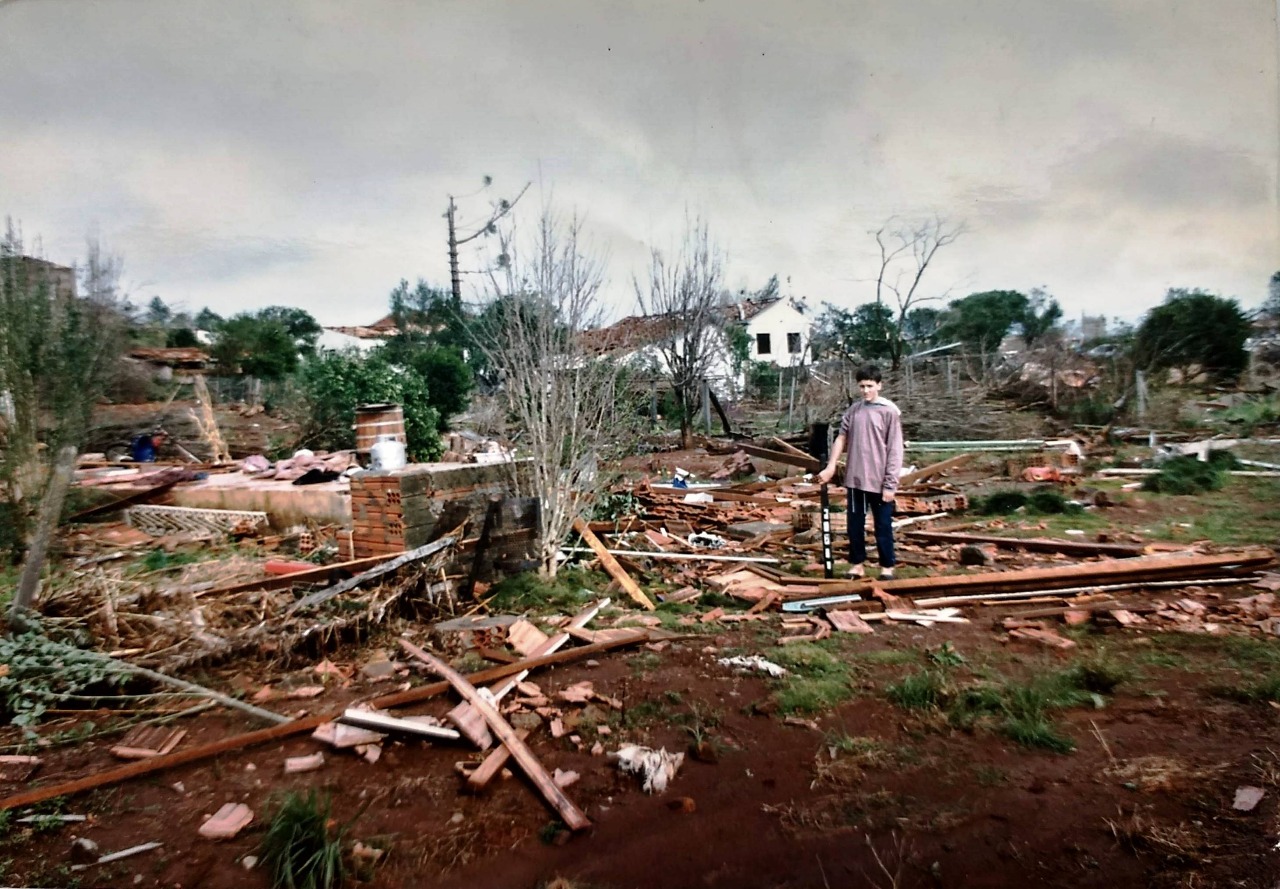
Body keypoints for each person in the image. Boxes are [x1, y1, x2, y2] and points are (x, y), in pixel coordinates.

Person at [816, 364, 904, 580]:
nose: (866, 390)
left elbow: (895, 449)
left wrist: (890, 484)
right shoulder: (854, 410)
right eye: (862, 386)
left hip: (880, 480)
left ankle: (887, 567)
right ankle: (857, 564)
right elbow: (842, 438)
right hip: (856, 479)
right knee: (854, 525)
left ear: (879, 386)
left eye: (870, 386)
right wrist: (831, 465)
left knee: (882, 525)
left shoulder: (889, 412)